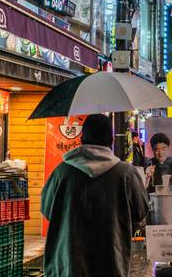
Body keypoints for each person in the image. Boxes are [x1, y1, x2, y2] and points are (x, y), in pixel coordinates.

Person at [41, 114, 149, 277]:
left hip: (68, 264)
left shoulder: (62, 172)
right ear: (111, 141)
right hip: (111, 262)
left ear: (82, 139)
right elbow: (140, 212)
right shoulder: (126, 174)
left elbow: (47, 209)